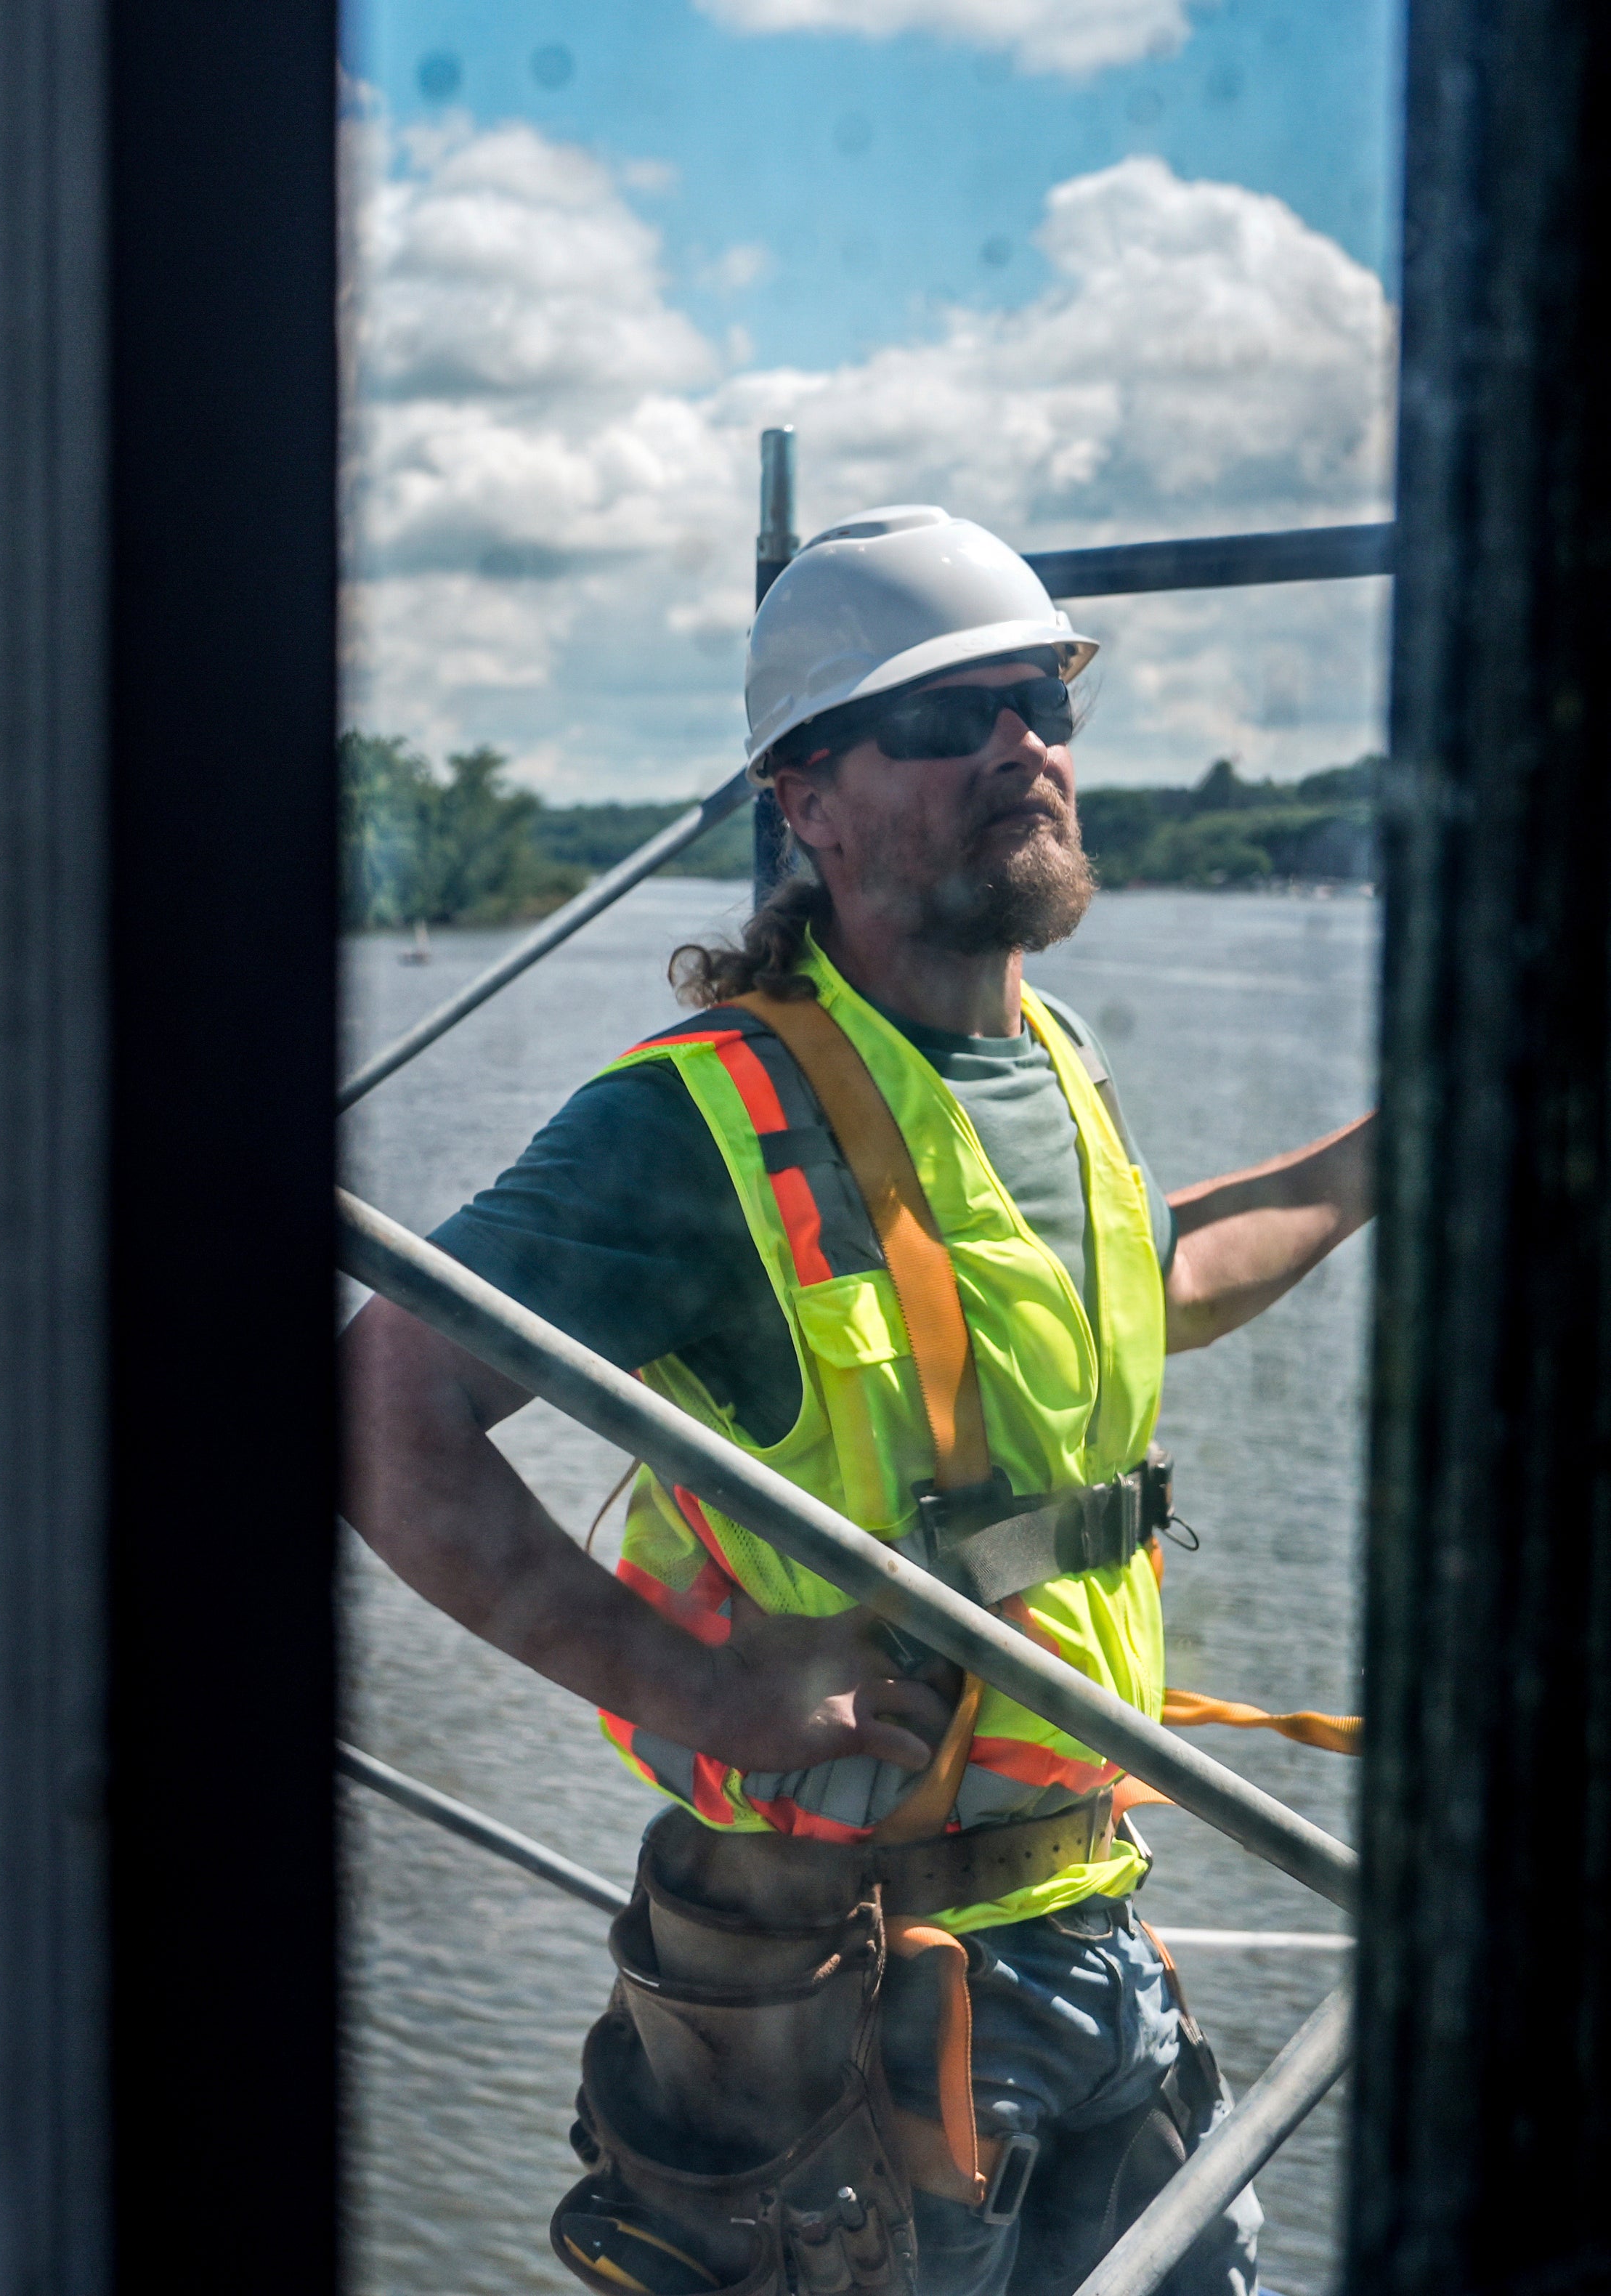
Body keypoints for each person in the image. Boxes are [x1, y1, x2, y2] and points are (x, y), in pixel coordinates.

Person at [342, 506, 1375, 2296]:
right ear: (803, 798)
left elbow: (1160, 1286)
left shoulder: (1041, 1058)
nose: (1017, 746)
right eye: (940, 716)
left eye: (1039, 698)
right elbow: (379, 1415)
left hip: (1088, 1921)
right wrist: (703, 1690)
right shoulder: (694, 1122)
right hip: (852, 1991)